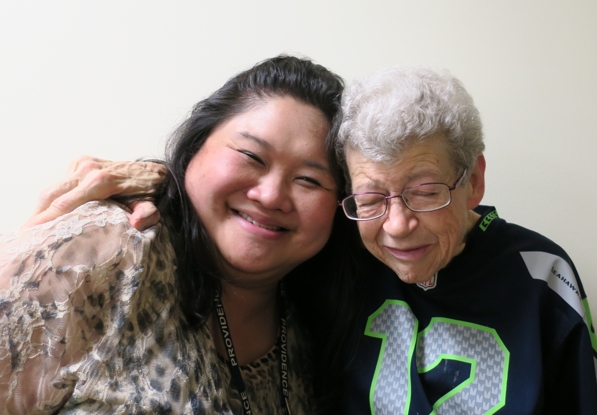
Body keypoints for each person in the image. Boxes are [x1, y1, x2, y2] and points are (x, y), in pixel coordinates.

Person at [16, 66, 597, 414]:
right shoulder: (115, 249)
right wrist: (155, 183)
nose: (397, 226)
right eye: (371, 196)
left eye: (425, 193)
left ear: (473, 181)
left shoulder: (536, 274)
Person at [0, 55, 359, 414]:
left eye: (309, 180)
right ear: (195, 147)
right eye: (252, 156)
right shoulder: (111, 248)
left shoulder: (330, 318)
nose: (270, 196)